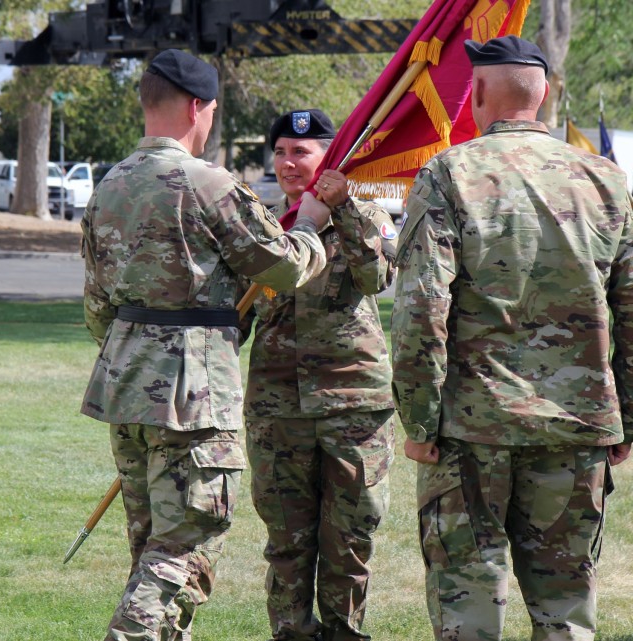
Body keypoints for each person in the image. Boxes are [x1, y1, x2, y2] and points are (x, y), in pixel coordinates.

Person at [80, 50, 331, 641]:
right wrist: (311, 225)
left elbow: (96, 305)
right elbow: (286, 269)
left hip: (124, 382)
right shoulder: (209, 182)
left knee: (150, 544)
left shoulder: (109, 184)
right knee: (188, 537)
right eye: (213, 112)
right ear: (198, 108)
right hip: (191, 391)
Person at [391, 35, 633, 641]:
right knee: (567, 611)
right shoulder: (606, 181)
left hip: (472, 432)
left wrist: (419, 422)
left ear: (474, 95)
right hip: (575, 424)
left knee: (468, 611)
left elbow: (421, 309)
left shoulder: (448, 174)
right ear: (544, 94)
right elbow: (630, 310)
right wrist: (625, 414)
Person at [242, 109, 398, 641]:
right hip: (277, 409)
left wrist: (344, 207)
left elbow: (376, 276)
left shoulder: (369, 215)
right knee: (286, 543)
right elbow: (232, 318)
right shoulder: (262, 226)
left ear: (329, 159)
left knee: (349, 542)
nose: (289, 163)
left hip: (353, 407)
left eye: (302, 153)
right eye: (281, 151)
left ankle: (345, 634)